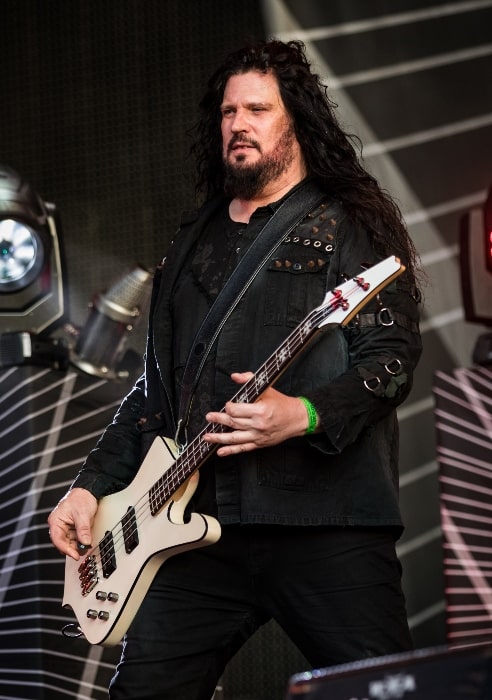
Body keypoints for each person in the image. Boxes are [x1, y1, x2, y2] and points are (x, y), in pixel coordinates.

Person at [48, 39, 423, 700]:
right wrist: (90, 486)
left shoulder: (346, 227)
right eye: (228, 112)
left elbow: (391, 360)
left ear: (297, 123)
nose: (238, 124)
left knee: (385, 691)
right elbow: (155, 392)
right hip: (195, 532)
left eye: (257, 109)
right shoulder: (193, 238)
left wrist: (301, 414)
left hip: (324, 525)